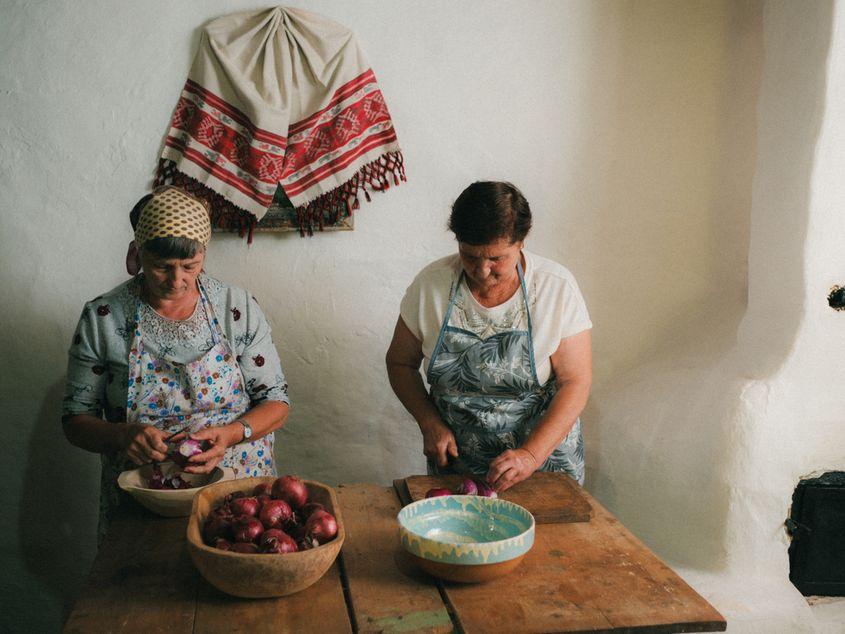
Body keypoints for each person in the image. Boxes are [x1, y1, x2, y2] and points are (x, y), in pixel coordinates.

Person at [62, 186, 290, 539]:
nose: (177, 280)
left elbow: (277, 404)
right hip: (144, 501)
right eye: (161, 267)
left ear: (204, 253)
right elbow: (75, 421)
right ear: (138, 254)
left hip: (240, 500)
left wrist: (229, 435)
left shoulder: (237, 308)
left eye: (190, 265)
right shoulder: (103, 317)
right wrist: (122, 435)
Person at [386, 181, 592, 493]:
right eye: (469, 256)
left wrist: (530, 454)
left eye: (496, 258)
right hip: (461, 466)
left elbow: (576, 382)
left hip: (543, 465)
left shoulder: (554, 288)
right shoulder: (431, 287)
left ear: (521, 242)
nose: (482, 270)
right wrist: (429, 422)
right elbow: (400, 363)